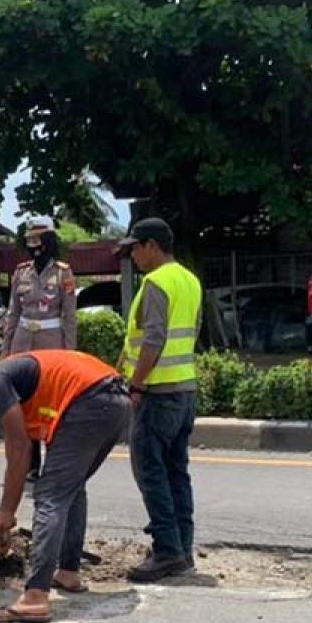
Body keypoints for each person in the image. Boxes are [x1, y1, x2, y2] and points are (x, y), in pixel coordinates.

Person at [0, 350, 130, 623]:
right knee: (70, 487)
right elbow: (26, 455)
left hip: (91, 400)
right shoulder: (14, 390)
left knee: (50, 495)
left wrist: (6, 510)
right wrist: (7, 509)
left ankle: (36, 597)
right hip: (114, 401)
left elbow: (19, 448)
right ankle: (68, 572)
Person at [114, 217, 203, 582]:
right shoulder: (189, 280)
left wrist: (135, 385)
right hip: (184, 390)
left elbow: (153, 340)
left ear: (151, 245)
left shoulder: (155, 283)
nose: (133, 255)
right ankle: (182, 547)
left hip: (156, 394)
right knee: (176, 472)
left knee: (151, 473)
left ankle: (167, 552)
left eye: (135, 247)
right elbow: (193, 332)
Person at [1, 217, 78, 481]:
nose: (33, 245)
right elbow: (13, 314)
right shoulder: (21, 272)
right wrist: (6, 353)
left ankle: (54, 462)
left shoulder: (62, 273)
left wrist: (70, 354)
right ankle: (31, 465)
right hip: (23, 343)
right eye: (30, 240)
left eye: (38, 239)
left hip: (51, 344)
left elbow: (69, 317)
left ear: (49, 241)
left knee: (50, 402)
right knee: (24, 403)